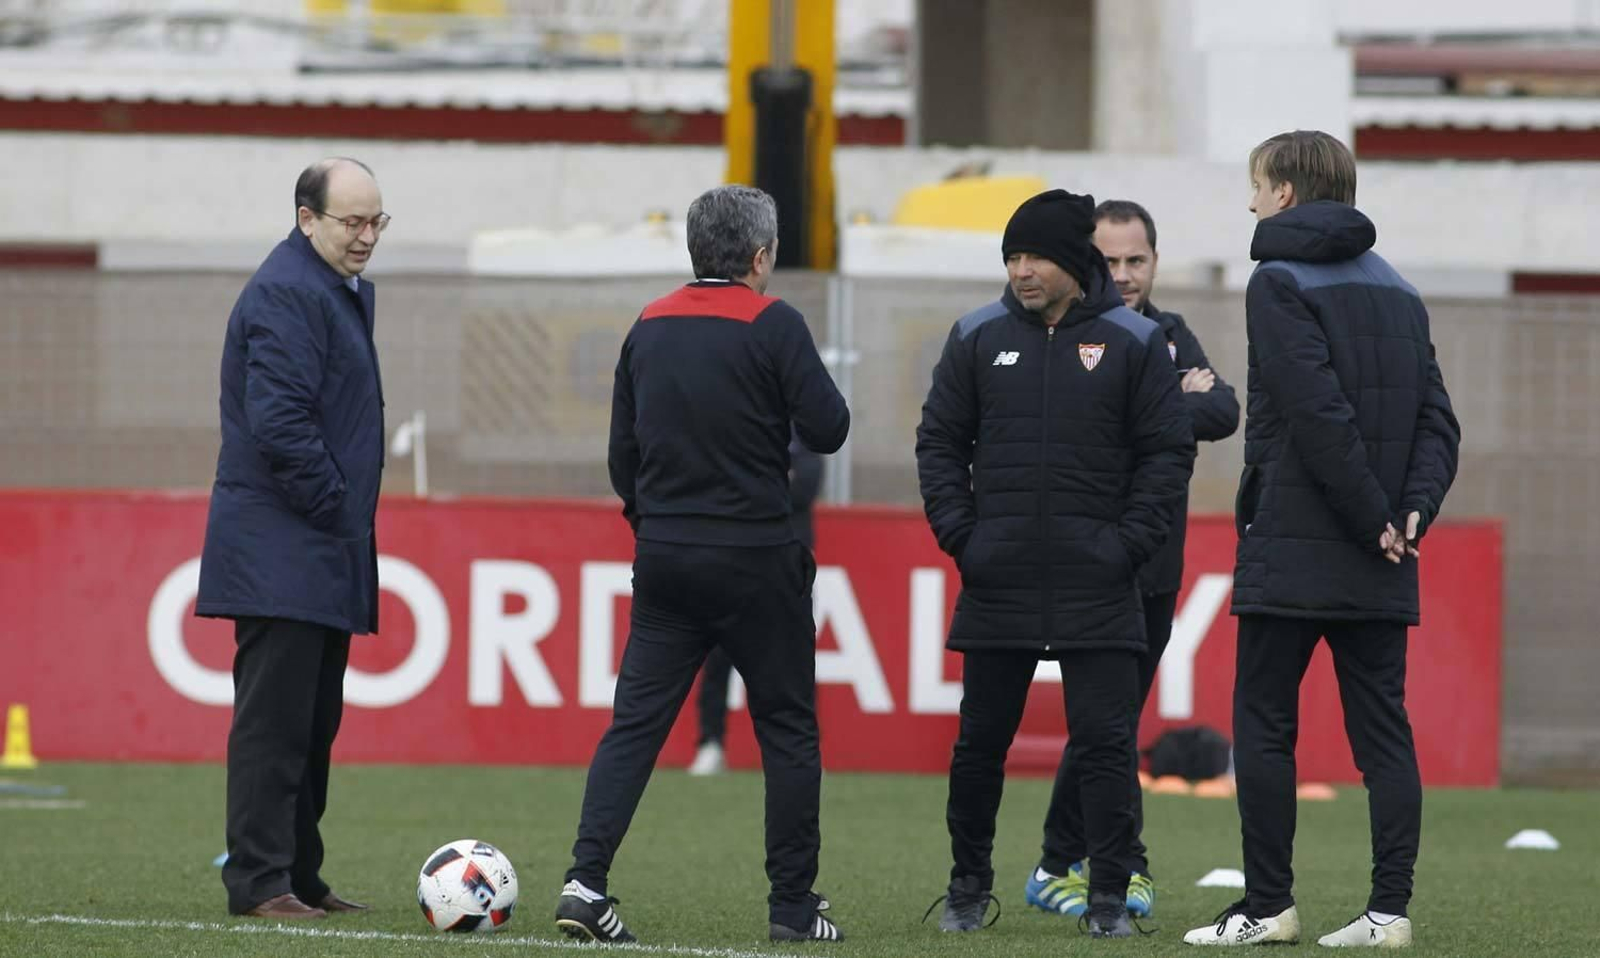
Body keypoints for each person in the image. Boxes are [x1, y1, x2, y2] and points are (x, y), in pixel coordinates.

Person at [1182, 131, 1459, 948]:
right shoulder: (1401, 290)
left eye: (1258, 187)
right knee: (1384, 731)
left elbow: (1314, 410)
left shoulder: (1276, 281)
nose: (1250, 202)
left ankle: (1268, 908)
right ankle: (1388, 914)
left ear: (1288, 196)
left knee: (1264, 721)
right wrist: (1410, 515)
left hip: (1299, 540)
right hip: (1383, 549)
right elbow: (1438, 420)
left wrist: (1374, 513)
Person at [555, 185, 851, 944]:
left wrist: (651, 521)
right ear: (761, 256)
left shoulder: (648, 324)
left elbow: (623, 457)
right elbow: (829, 428)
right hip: (755, 554)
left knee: (634, 726)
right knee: (787, 729)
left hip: (666, 556)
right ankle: (792, 906)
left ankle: (585, 883)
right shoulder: (773, 323)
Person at [916, 189, 1195, 939]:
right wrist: (964, 539)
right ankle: (968, 887)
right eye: (1011, 256)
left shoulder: (1134, 342)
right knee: (979, 747)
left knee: (1105, 748)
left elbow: (1168, 454)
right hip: (998, 578)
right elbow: (939, 443)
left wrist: (1125, 546)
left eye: (1034, 255)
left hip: (1099, 581)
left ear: (1074, 261)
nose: (1021, 270)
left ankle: (1107, 899)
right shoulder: (975, 337)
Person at [1025, 200, 1240, 920]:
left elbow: (1226, 410)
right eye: (1110, 261)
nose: (1123, 275)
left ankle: (1061, 860)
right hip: (1090, 562)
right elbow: (1088, 420)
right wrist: (1166, 399)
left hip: (1155, 564)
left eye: (1136, 261)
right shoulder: (1069, 331)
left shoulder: (1171, 333)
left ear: (1153, 260)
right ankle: (1098, 864)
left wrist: (1147, 407)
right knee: (1107, 722)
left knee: (1110, 720)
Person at [196, 157, 389, 919]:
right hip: (286, 543)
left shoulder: (326, 288)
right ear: (306, 218)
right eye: (353, 222)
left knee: (312, 727)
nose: (367, 236)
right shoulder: (287, 291)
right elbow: (280, 423)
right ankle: (260, 881)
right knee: (275, 728)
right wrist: (338, 507)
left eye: (377, 221)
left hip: (315, 547)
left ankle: (298, 875)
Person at [689, 434, 824, 776]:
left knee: (795, 661)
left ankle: (801, 751)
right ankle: (710, 744)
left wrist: (751, 483)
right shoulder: (738, 419)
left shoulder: (801, 436)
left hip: (789, 563)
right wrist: (777, 479)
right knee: (719, 656)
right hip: (734, 556)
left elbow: (805, 488)